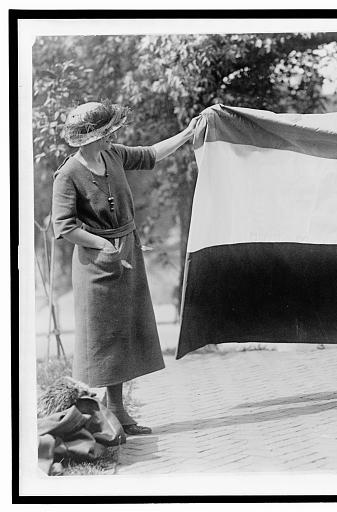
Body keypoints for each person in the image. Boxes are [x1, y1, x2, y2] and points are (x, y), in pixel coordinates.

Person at [52, 101, 200, 435]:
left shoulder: (113, 155)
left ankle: (117, 410)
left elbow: (151, 154)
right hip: (96, 263)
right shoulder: (68, 175)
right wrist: (104, 246)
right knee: (103, 337)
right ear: (89, 137)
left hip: (127, 250)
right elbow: (65, 227)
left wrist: (188, 133)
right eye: (107, 133)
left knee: (124, 333)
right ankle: (104, 414)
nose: (112, 137)